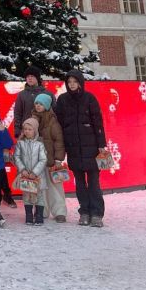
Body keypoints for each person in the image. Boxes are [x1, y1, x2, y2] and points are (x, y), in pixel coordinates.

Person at [55, 70, 107, 228]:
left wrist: (101, 145)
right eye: (69, 81)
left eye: (74, 81)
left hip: (91, 149)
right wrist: (62, 149)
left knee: (93, 183)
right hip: (73, 149)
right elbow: (60, 125)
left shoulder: (90, 98)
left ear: (80, 82)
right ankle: (84, 212)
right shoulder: (62, 100)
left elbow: (98, 123)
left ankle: (97, 213)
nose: (72, 84)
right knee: (79, 183)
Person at [33, 93, 68, 223]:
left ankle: (59, 211)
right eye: (36, 103)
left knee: (55, 187)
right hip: (36, 161)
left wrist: (59, 159)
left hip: (51, 160)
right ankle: (43, 210)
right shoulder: (32, 119)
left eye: (41, 103)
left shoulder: (53, 121)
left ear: (47, 105)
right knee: (40, 187)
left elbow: (59, 141)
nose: (38, 106)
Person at [13, 117, 48, 225]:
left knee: (40, 195)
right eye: (25, 129)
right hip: (25, 175)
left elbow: (43, 159)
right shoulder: (20, 143)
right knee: (26, 195)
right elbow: (16, 157)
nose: (27, 131)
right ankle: (28, 215)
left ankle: (39, 215)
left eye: (30, 129)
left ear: (35, 130)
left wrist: (35, 172)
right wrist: (22, 169)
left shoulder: (40, 144)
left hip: (37, 176)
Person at [13, 66, 55, 138]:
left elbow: (54, 113)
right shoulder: (21, 94)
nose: (29, 78)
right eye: (28, 76)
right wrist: (17, 130)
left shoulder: (48, 94)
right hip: (27, 131)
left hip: (44, 132)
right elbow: (18, 113)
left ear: (37, 78)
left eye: (32, 76)